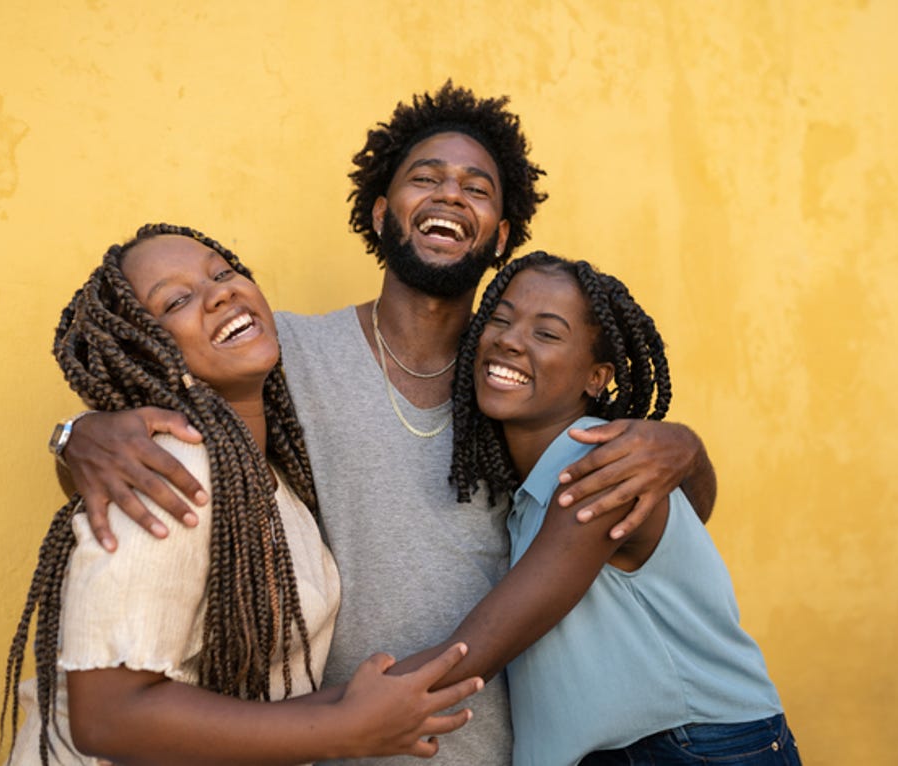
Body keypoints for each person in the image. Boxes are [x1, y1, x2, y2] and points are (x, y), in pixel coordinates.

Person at [58, 83, 718, 764]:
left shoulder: (515, 382)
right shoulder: (279, 352)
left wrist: (686, 450)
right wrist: (76, 437)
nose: (450, 194)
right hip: (337, 744)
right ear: (380, 214)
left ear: (499, 238)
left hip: (490, 749)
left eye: (476, 187)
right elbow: (165, 424)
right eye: (425, 178)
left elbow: (651, 514)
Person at [1, 224, 483, 765]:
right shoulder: (171, 469)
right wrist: (342, 727)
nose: (221, 293)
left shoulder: (265, 476)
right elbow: (107, 714)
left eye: (223, 273)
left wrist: (358, 711)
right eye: (177, 300)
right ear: (143, 349)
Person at [394, 251, 799, 765]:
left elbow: (474, 653)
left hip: (692, 749)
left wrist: (317, 718)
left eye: (547, 333)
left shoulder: (599, 471)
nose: (510, 339)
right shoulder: (537, 488)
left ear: (596, 377)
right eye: (499, 319)